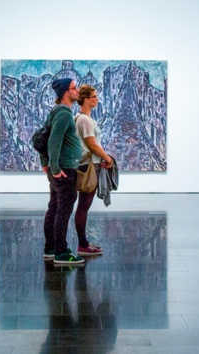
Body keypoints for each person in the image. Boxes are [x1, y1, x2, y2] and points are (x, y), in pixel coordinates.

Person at [40, 78, 84, 265]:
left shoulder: (56, 111)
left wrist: (46, 163)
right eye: (74, 88)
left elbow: (43, 135)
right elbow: (53, 141)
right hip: (64, 169)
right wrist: (55, 168)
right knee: (63, 210)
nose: (78, 90)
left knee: (55, 207)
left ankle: (50, 249)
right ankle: (61, 252)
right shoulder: (64, 114)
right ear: (66, 92)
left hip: (60, 168)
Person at [74, 84, 113, 256]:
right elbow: (92, 145)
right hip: (90, 166)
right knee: (84, 205)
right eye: (94, 96)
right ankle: (83, 244)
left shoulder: (81, 118)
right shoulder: (85, 120)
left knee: (84, 205)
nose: (97, 99)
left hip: (90, 164)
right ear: (87, 99)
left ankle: (84, 243)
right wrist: (108, 158)